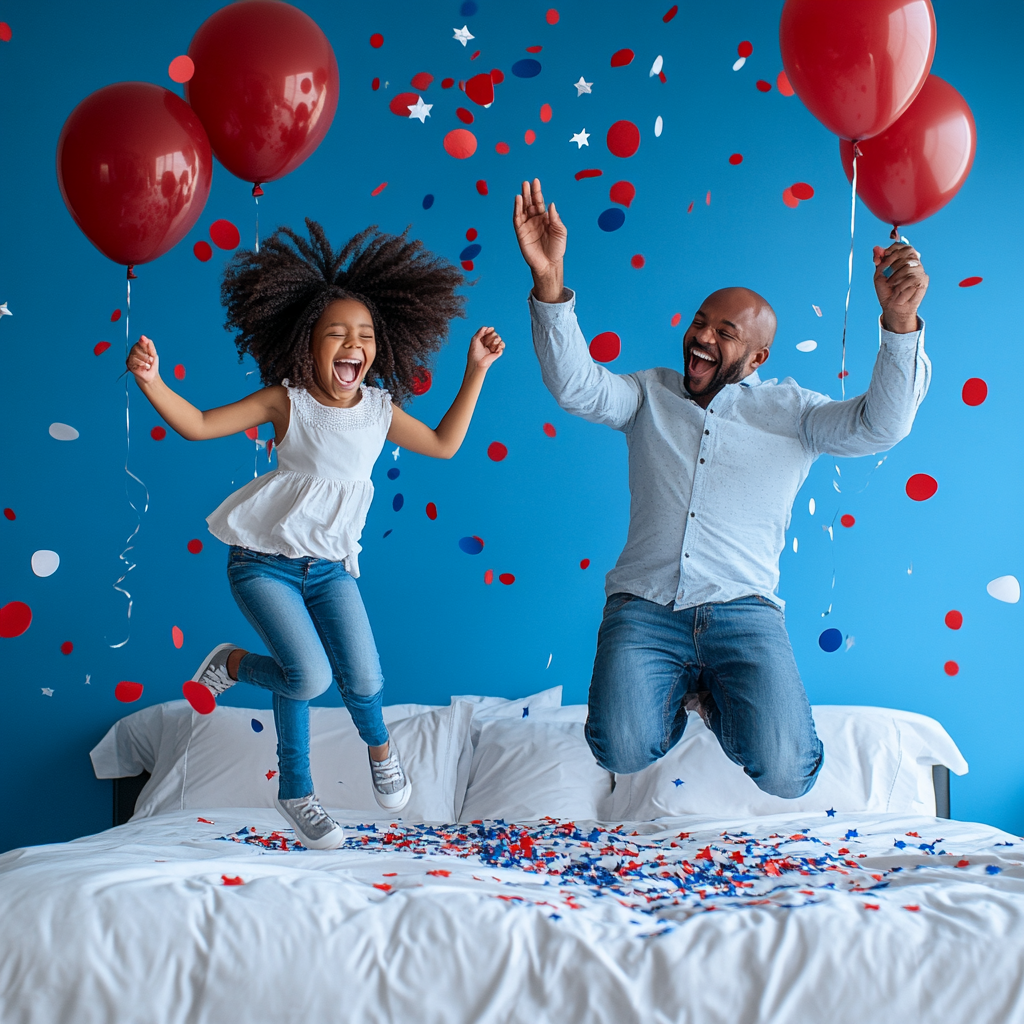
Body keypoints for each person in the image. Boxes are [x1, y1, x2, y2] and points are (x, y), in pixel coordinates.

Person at [513, 178, 930, 797]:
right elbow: (577, 386)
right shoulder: (647, 394)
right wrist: (550, 282)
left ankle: (715, 699)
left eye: (726, 333)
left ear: (757, 358)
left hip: (745, 612)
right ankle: (683, 694)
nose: (703, 337)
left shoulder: (795, 413)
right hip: (645, 607)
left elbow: (881, 426)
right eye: (701, 323)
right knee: (619, 750)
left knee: (790, 774)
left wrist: (898, 322)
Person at [127, 220, 504, 848]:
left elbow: (444, 444)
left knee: (365, 676)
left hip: (330, 567)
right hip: (263, 561)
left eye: (365, 335)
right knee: (306, 678)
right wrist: (152, 383)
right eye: (338, 333)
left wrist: (476, 369)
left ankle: (380, 752)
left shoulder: (380, 410)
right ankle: (290, 777)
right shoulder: (288, 401)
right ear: (309, 342)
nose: (354, 344)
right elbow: (195, 423)